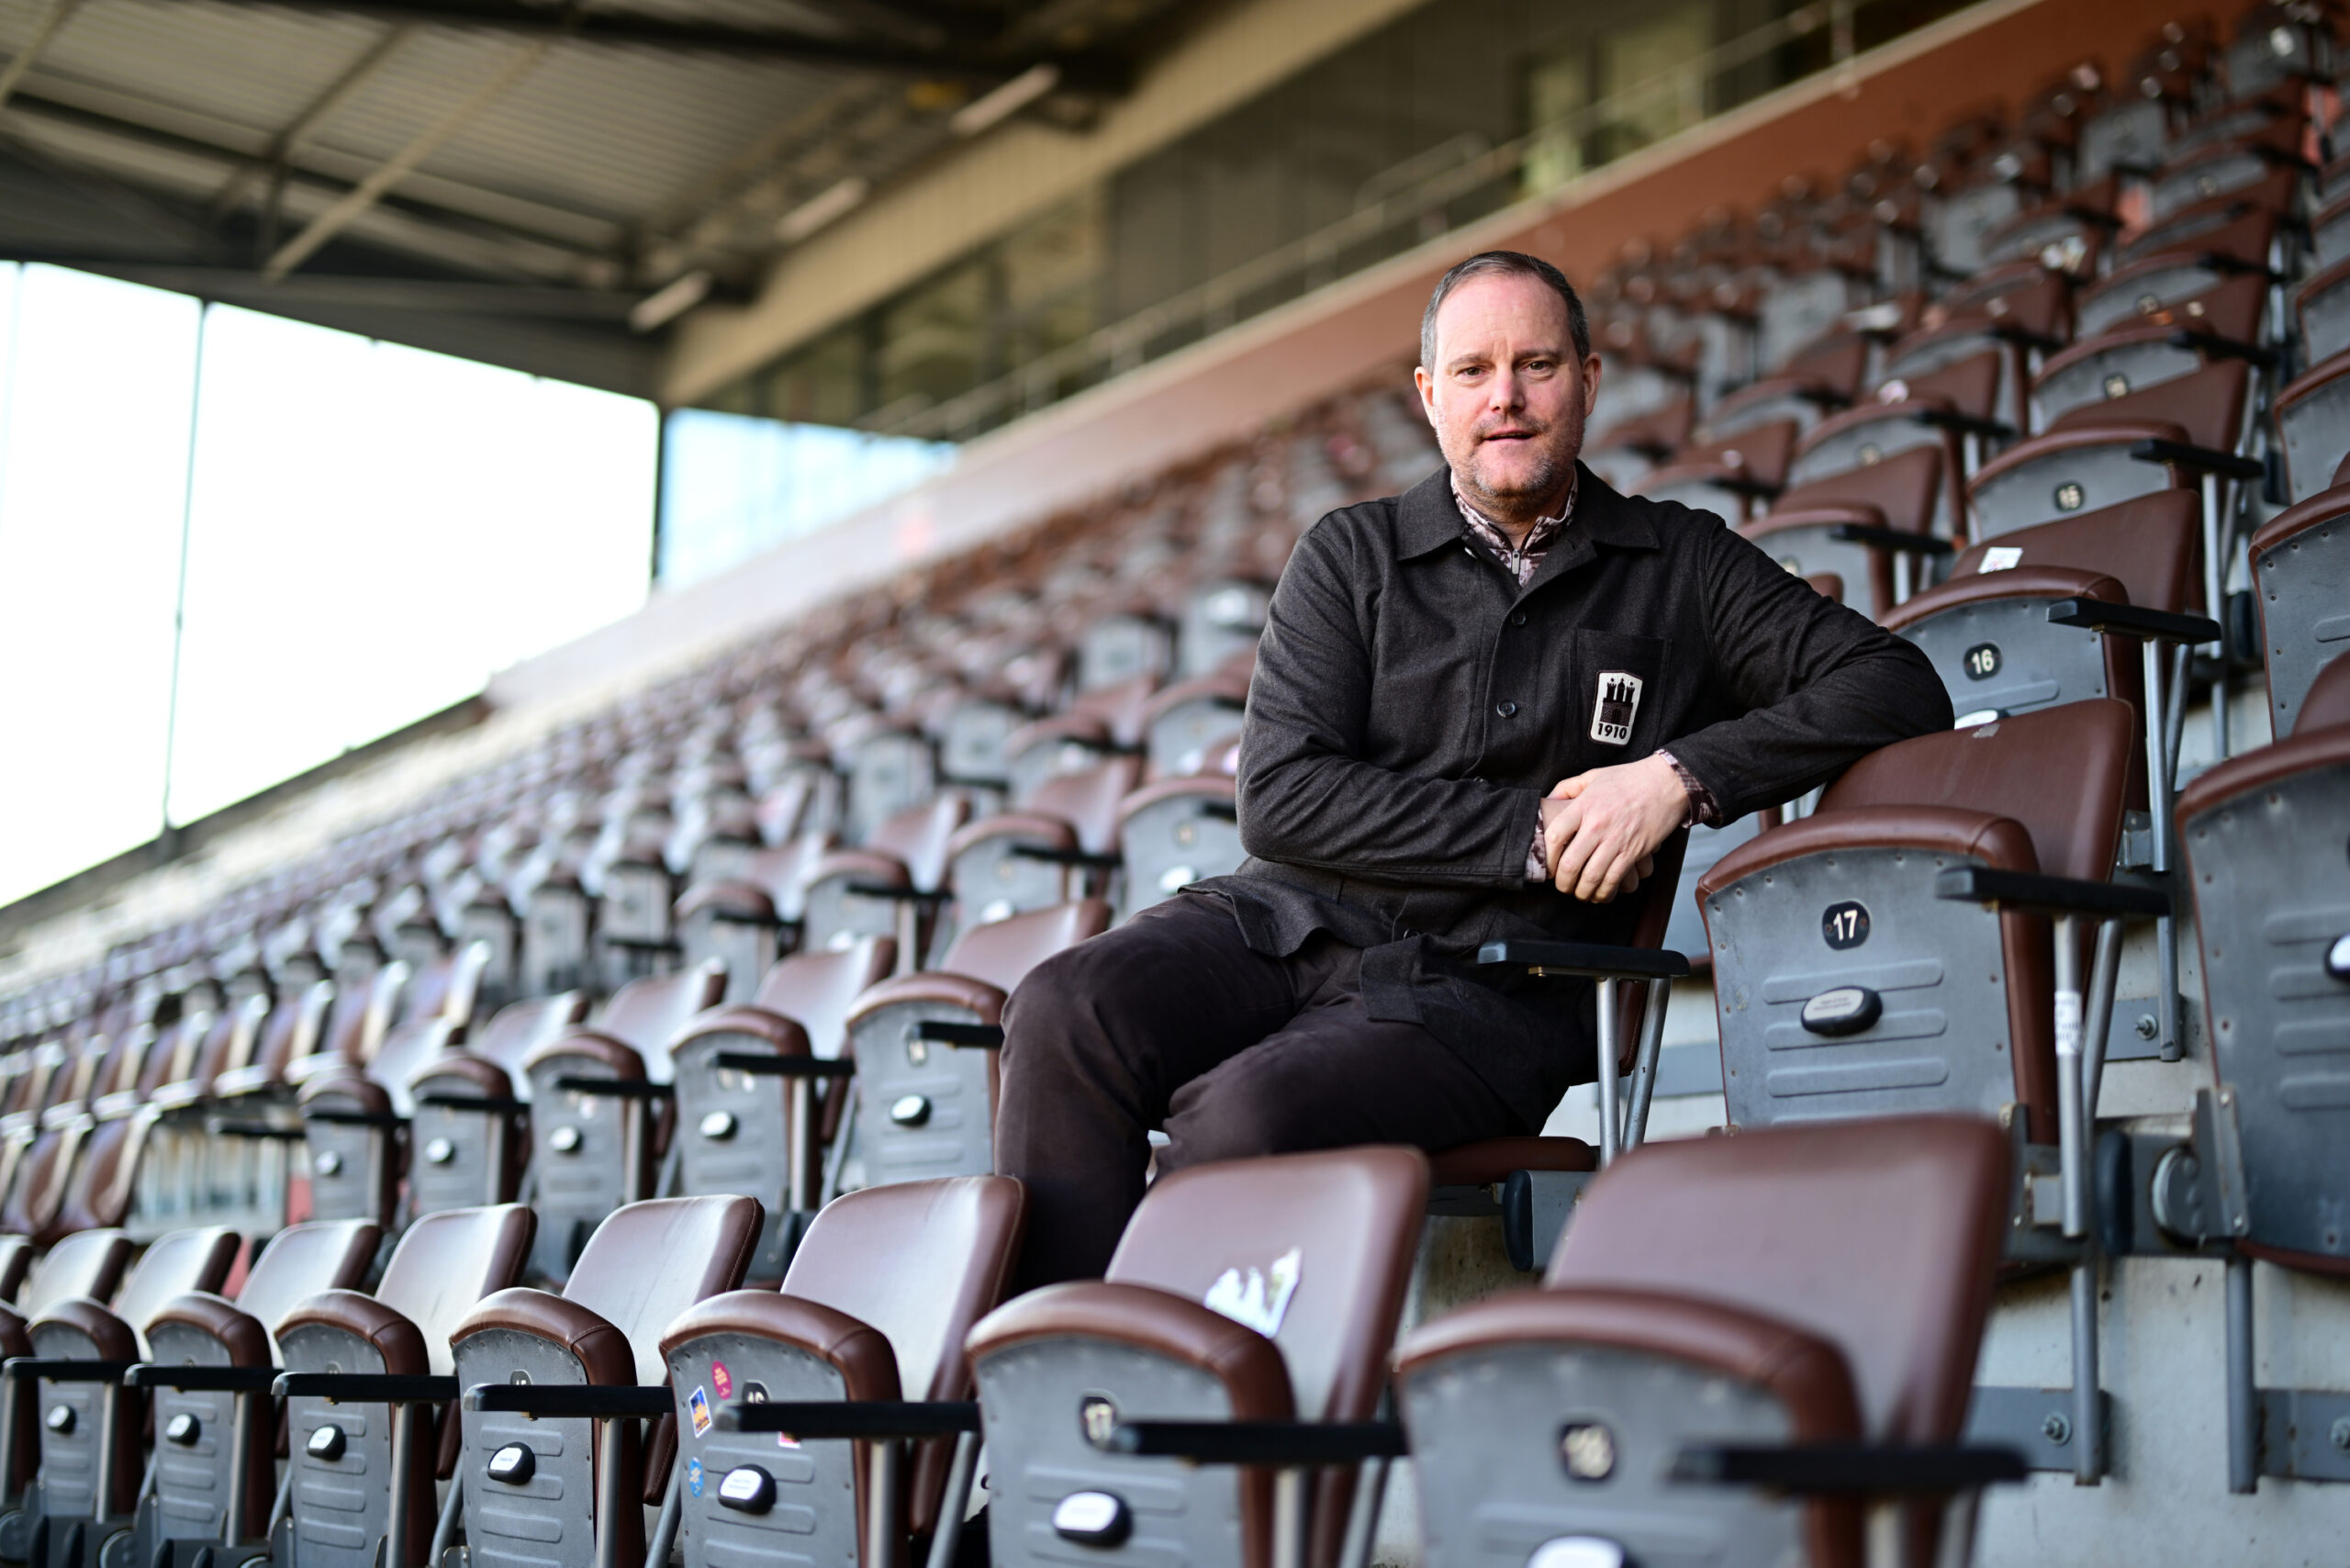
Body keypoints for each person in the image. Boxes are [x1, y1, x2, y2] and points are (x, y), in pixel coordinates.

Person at [992, 249, 1954, 1288]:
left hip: (1487, 994)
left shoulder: (1682, 564)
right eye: (1472, 371)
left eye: (1536, 365)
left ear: (1587, 380)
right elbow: (1279, 797)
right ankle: (1051, 1367)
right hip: (1284, 927)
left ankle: (1172, 1379)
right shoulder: (1348, 554)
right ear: (1429, 395)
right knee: (1062, 1007)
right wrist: (1528, 835)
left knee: (1244, 1116)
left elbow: (1893, 681)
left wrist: (1675, 776)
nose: (1506, 397)